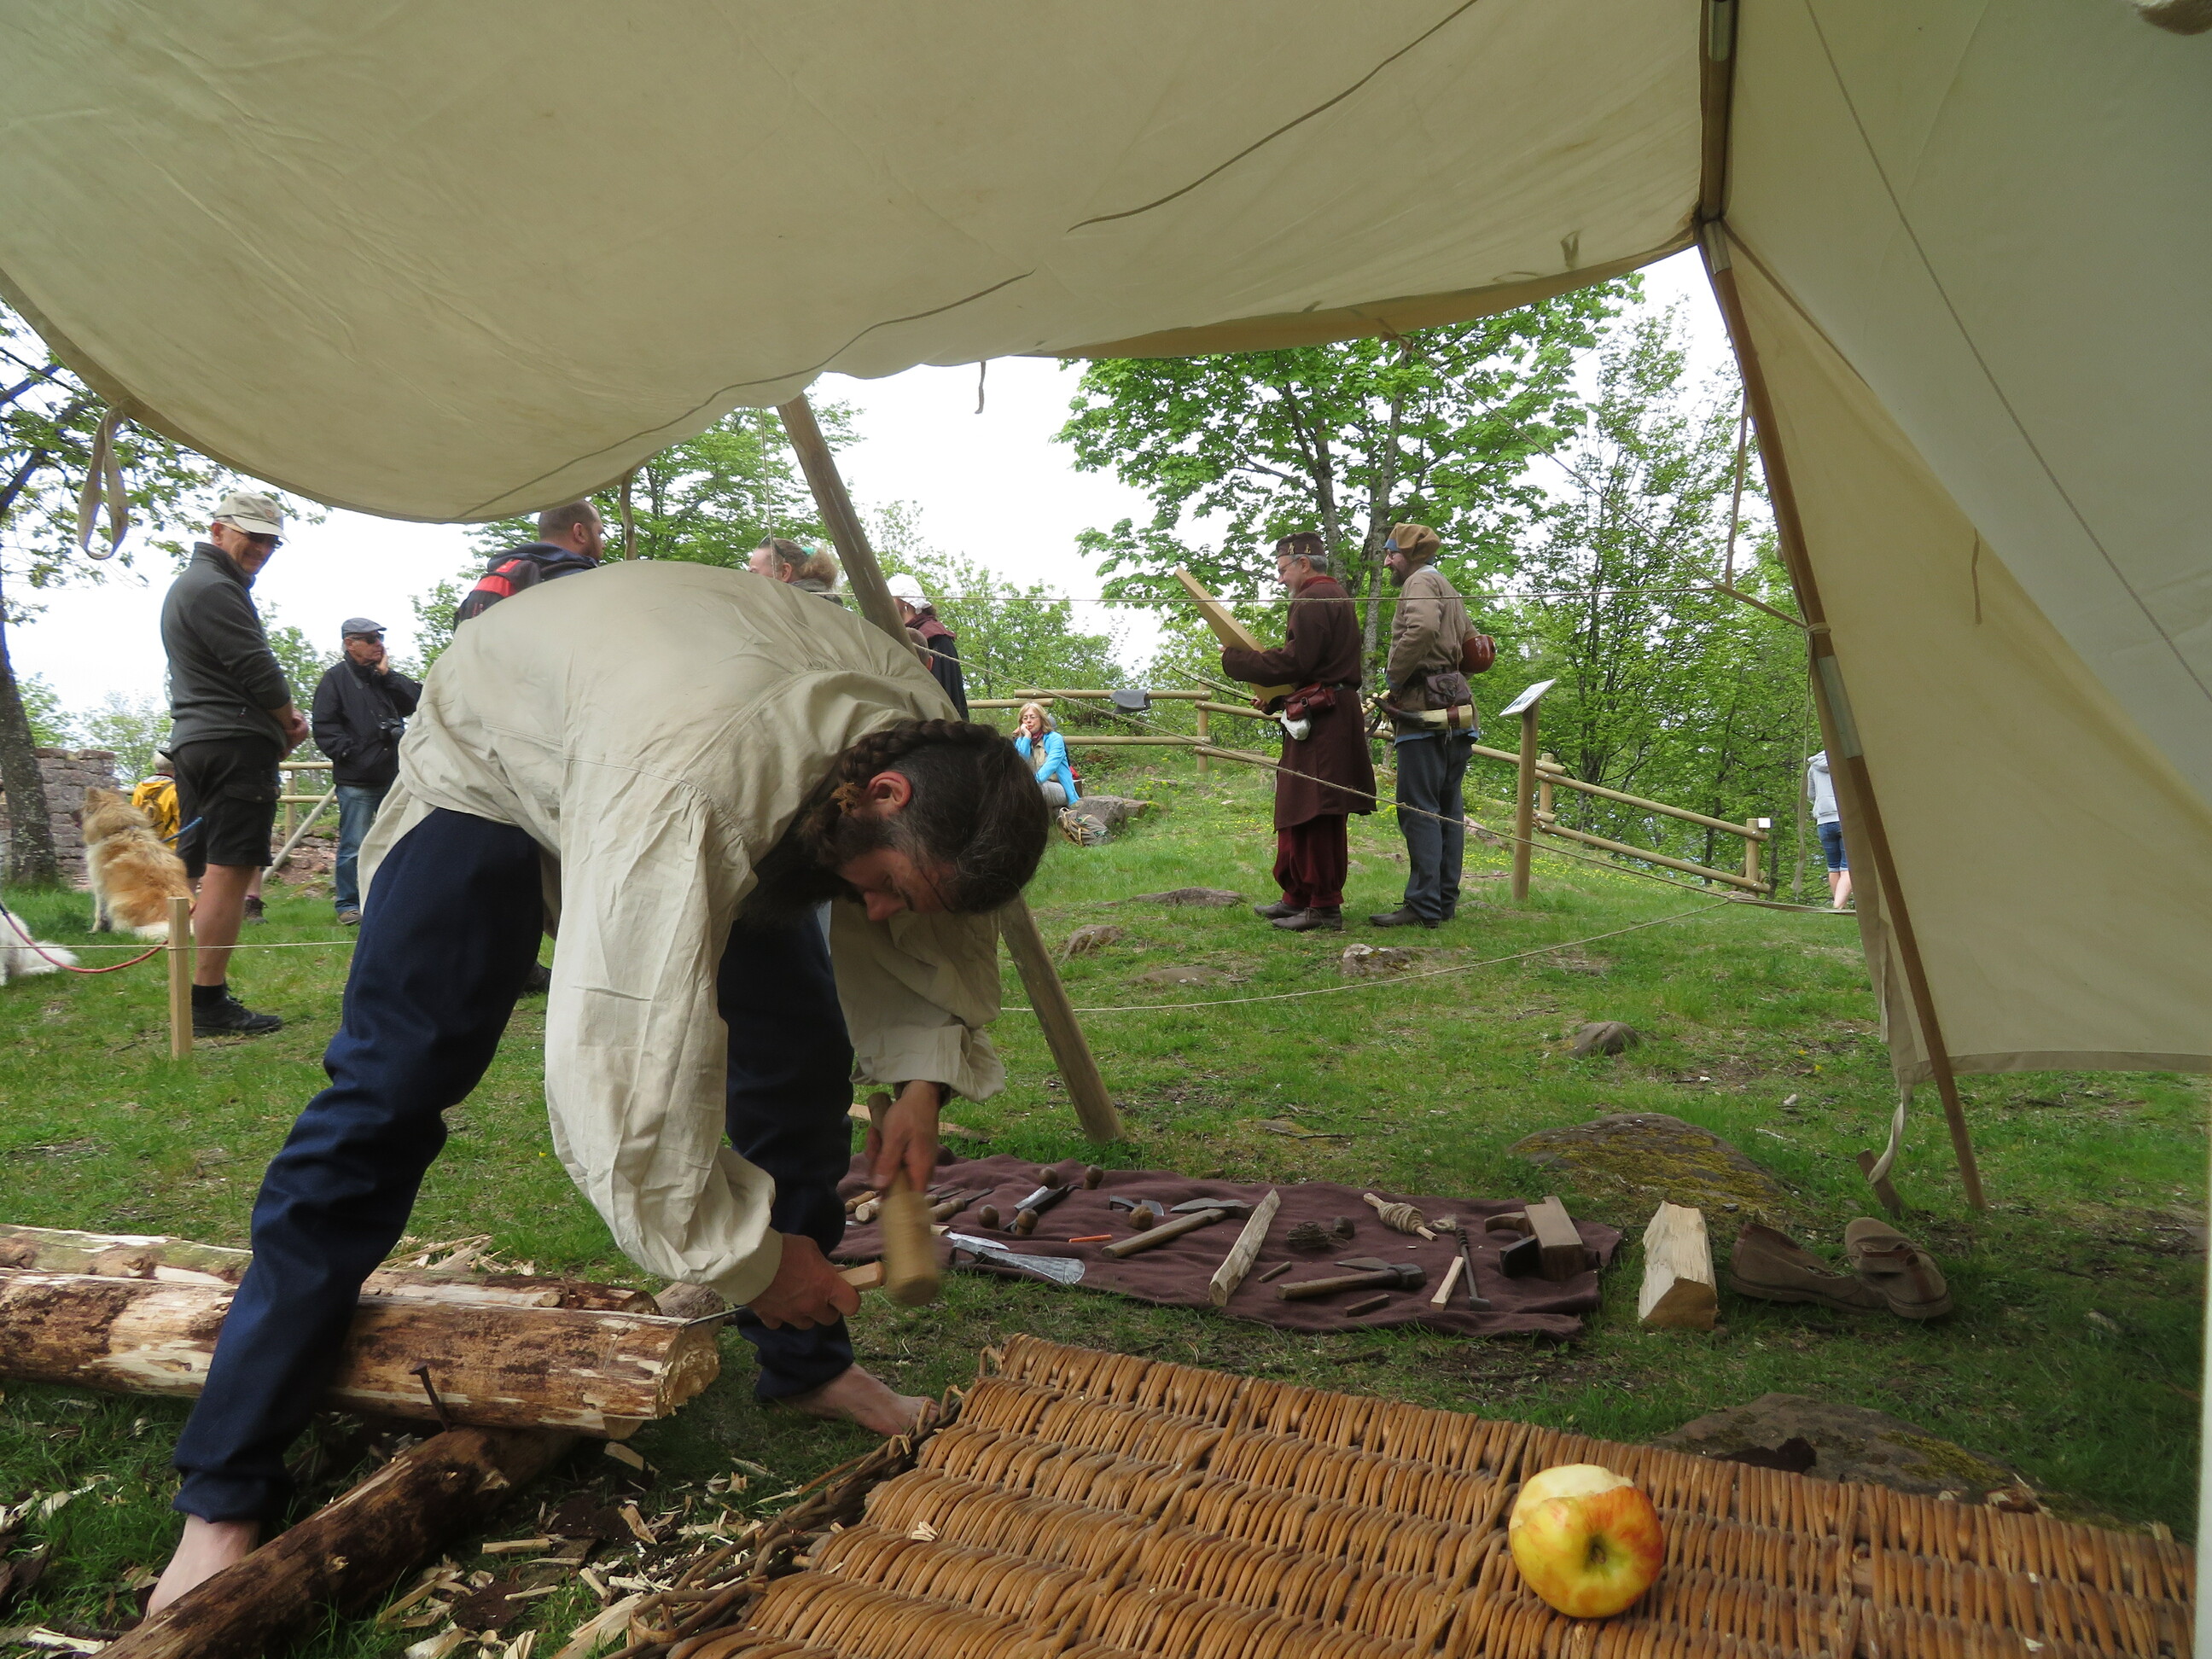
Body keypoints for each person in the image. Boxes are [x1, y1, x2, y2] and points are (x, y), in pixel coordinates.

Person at [148, 560, 1048, 1612]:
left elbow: (939, 918)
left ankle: (806, 1368)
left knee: (801, 1060)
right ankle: (225, 1487)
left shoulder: (942, 752)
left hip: (662, 729)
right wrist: (752, 1261)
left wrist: (920, 1082)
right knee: (386, 1097)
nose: (882, 915)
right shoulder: (699, 784)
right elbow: (627, 1070)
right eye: (885, 888)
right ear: (880, 794)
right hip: (497, 760)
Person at [159, 490, 310, 1036]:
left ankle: (192, 997)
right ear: (218, 529)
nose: (262, 550)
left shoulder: (198, 585)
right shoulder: (214, 588)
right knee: (231, 867)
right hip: (231, 745)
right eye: (253, 536)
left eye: (272, 542)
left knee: (203, 866)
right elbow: (257, 667)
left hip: (199, 742)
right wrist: (289, 720)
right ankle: (207, 1003)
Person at [1220, 533, 1376, 932]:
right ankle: (1297, 896)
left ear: (1303, 563)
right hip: (1320, 710)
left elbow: (1296, 661)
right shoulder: (1327, 595)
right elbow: (1312, 668)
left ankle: (1323, 905)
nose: (1280, 579)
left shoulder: (1314, 597)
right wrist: (1277, 698)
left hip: (1327, 719)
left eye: (1282, 570)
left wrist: (1237, 661)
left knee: (1317, 811)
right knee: (1298, 806)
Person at [1371, 523, 1477, 929]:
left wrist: (1395, 679)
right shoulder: (1447, 585)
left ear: (1410, 556)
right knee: (1447, 809)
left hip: (1423, 711)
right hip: (1458, 712)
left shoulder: (1418, 582)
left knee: (1419, 809)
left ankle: (1423, 905)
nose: (1387, 561)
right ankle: (1443, 901)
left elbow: (1423, 628)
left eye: (1392, 554)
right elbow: (1474, 649)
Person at [310, 618, 422, 925]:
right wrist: (353, 755)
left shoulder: (383, 678)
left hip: (394, 776)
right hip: (357, 779)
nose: (378, 645)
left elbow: (418, 701)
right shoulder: (334, 680)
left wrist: (388, 675)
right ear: (350, 643)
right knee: (353, 845)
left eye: (379, 639)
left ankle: (395, 900)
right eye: (371, 639)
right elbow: (324, 727)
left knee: (400, 841)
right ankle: (349, 904)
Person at [452, 500, 605, 626]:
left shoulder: (501, 574)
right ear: (579, 532)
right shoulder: (580, 582)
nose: (603, 544)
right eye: (599, 533)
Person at [889, 578, 967, 717]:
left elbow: (941, 690)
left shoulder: (935, 637)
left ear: (905, 601)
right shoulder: (902, 635)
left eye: (891, 598)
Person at [1012, 701, 1080, 808]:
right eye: (1025, 718)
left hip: (1058, 787)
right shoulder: (1021, 741)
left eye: (1032, 717)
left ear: (1041, 719)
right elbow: (1020, 764)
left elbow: (1051, 765)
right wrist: (1027, 737)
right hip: (1030, 785)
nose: (1028, 721)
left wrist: (1031, 783)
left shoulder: (1055, 738)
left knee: (1034, 790)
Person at [1807, 749, 1852, 909]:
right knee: (1849, 867)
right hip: (1844, 818)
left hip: (1823, 821)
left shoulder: (1814, 766)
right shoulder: (1845, 762)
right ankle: (1837, 907)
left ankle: (1839, 908)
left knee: (1833, 867)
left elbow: (1811, 795)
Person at [751, 535, 846, 603]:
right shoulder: (829, 607)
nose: (748, 578)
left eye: (753, 573)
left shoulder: (787, 612)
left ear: (784, 572)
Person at [131, 756, 181, 844]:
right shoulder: (174, 789)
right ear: (175, 767)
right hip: (171, 845)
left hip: (147, 843)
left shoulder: (140, 788)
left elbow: (134, 816)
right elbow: (181, 820)